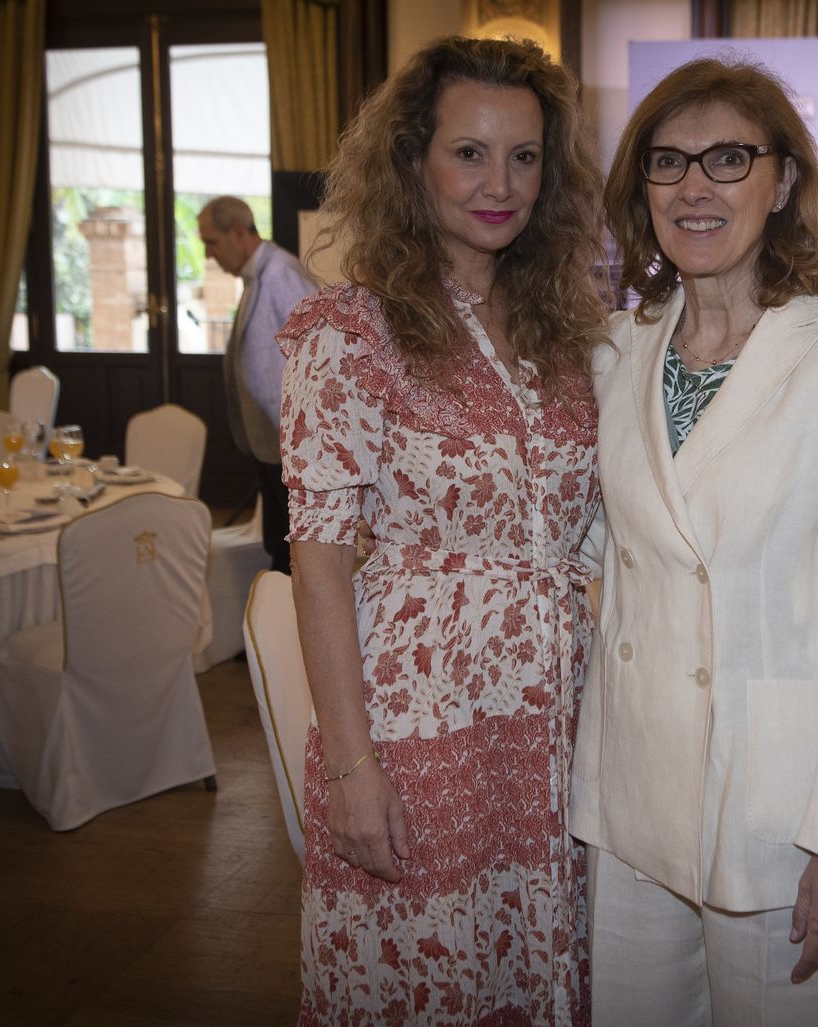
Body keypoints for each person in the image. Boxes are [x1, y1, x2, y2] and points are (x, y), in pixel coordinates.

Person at [570, 58, 818, 1026]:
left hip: (785, 816)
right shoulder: (613, 348)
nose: (694, 186)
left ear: (781, 183)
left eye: (728, 158)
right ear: (639, 189)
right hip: (634, 800)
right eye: (667, 161)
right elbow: (598, 552)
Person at [276, 36, 604, 1025]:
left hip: (554, 723)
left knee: (530, 966)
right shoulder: (351, 330)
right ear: (415, 158)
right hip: (419, 720)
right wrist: (350, 766)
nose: (497, 183)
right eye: (468, 152)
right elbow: (319, 564)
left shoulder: (565, 328)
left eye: (523, 156)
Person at [198, 196, 316, 574]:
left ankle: (283, 628)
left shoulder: (280, 273)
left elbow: (318, 351)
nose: (208, 254)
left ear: (238, 232)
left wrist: (304, 437)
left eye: (211, 242)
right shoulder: (256, 274)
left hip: (292, 442)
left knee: (291, 551)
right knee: (277, 541)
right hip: (271, 441)